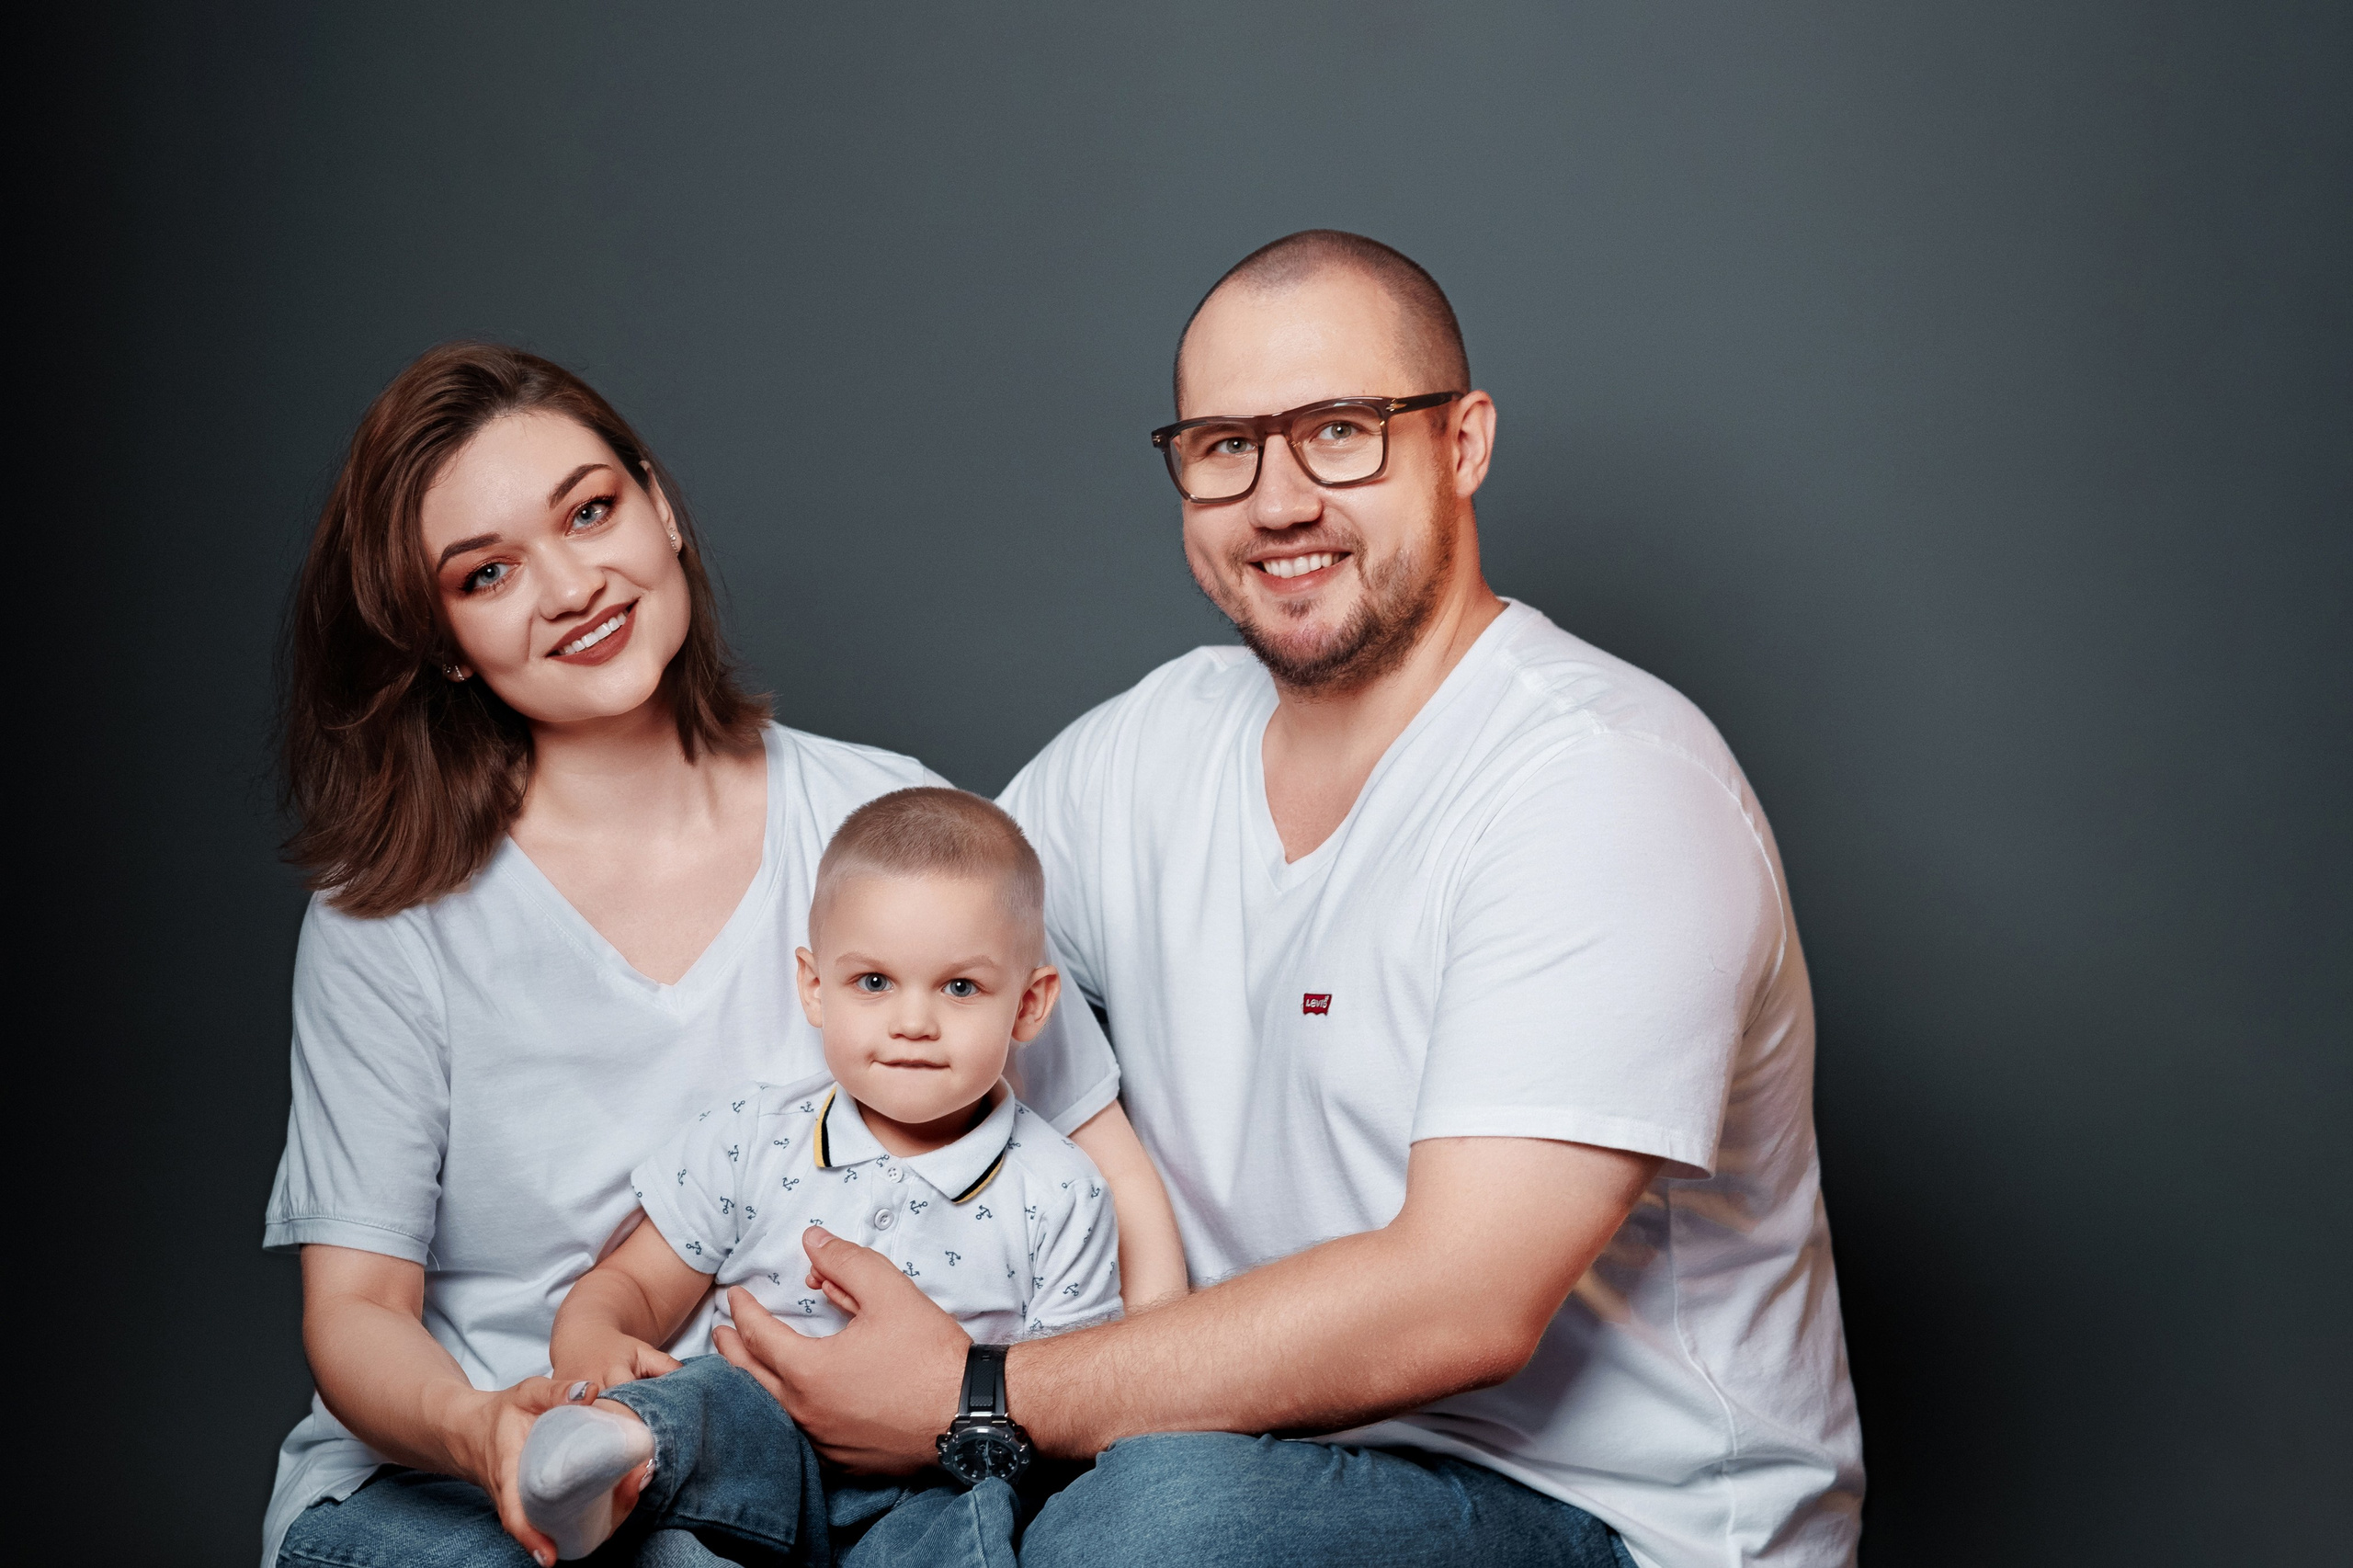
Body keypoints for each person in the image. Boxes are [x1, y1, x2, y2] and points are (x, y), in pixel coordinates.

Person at [710, 232, 1867, 1568]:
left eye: (1340, 430)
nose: (1278, 499)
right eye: (1223, 446)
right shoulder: (1148, 742)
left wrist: (976, 1398)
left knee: (1149, 1529)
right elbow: (902, 950)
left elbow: (1461, 1301)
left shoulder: (1602, 777)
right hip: (1229, 1442)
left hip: (1613, 1518)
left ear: (1465, 442)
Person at [263, 344, 1178, 1568]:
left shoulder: (884, 823)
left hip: (821, 1488)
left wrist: (1145, 1444)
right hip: (458, 1487)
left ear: (663, 507)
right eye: (488, 573)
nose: (571, 585)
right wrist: (482, 1428)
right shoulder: (387, 914)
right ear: (441, 639)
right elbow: (359, 1310)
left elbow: (1104, 1169)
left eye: (591, 510)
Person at [510, 787, 1164, 1562]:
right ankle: (606, 1466)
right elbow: (639, 1283)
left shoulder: (1061, 1194)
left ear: (1028, 1004)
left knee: (981, 1525)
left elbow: (1068, 1405)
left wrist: (950, 1433)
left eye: (960, 987)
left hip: (932, 1481)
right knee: (709, 1404)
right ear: (816, 987)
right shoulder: (752, 1139)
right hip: (755, 1452)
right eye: (875, 982)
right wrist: (590, 1342)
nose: (913, 1022)